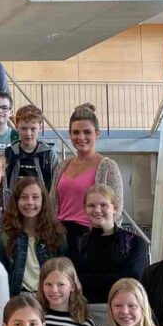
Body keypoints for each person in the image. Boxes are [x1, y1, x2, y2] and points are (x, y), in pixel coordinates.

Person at [50, 103, 123, 261]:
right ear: (69, 134)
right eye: (76, 132)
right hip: (60, 239)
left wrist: (102, 238)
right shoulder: (62, 166)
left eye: (87, 132)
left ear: (97, 133)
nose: (81, 137)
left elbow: (117, 208)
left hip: (91, 238)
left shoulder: (108, 166)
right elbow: (52, 203)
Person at [76, 184, 148, 326]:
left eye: (103, 205)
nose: (97, 210)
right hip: (86, 314)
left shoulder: (135, 242)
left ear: (114, 208)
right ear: (85, 209)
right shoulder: (79, 243)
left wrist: (88, 279)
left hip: (124, 315)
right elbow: (74, 280)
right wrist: (115, 277)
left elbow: (132, 279)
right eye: (91, 205)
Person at [0, 177, 67, 297]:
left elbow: (64, 272)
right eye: (24, 197)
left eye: (35, 197)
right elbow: (1, 276)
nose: (30, 202)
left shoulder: (57, 234)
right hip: (18, 298)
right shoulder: (6, 237)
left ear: (43, 201)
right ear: (16, 201)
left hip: (49, 297)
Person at [6, 105, 57, 191]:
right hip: (15, 202)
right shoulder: (9, 153)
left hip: (43, 203)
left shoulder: (48, 154)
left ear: (40, 127)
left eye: (33, 129)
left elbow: (56, 183)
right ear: (17, 127)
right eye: (24, 128)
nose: (28, 133)